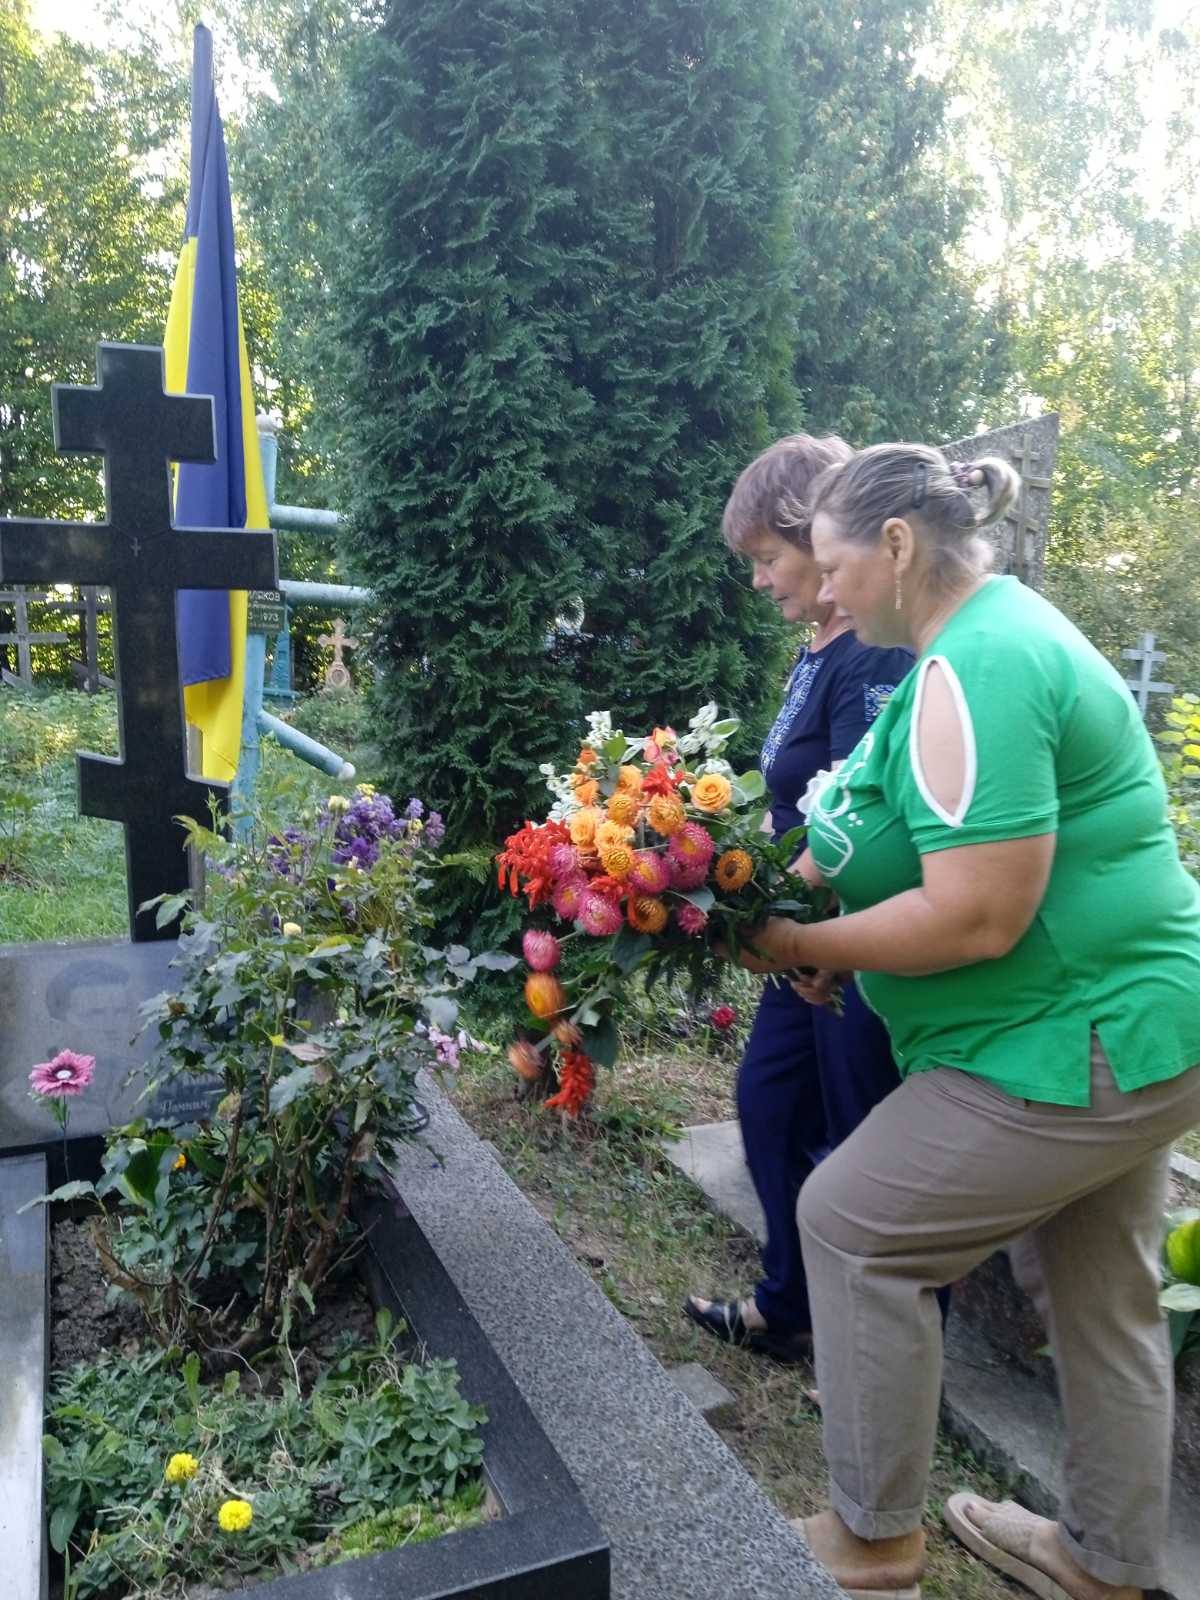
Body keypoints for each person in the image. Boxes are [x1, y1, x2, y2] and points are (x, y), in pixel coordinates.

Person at [727, 441, 1200, 1600]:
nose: (825, 590)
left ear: (896, 546)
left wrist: (803, 944)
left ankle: (873, 1542)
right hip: (1125, 1026)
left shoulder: (978, 664)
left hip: (1080, 1037)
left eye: (834, 563)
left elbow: (980, 913)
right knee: (1099, 1291)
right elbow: (894, 833)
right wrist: (817, 920)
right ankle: (1105, 1562)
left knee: (851, 1222)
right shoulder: (967, 645)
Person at [685, 433, 913, 1363]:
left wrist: (830, 940)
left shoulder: (873, 658)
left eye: (768, 557)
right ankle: (791, 1307)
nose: (759, 580)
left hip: (852, 943)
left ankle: (869, 1357)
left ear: (820, 539)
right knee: (771, 1104)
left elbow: (868, 813)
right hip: (802, 933)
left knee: (865, 1145)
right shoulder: (819, 649)